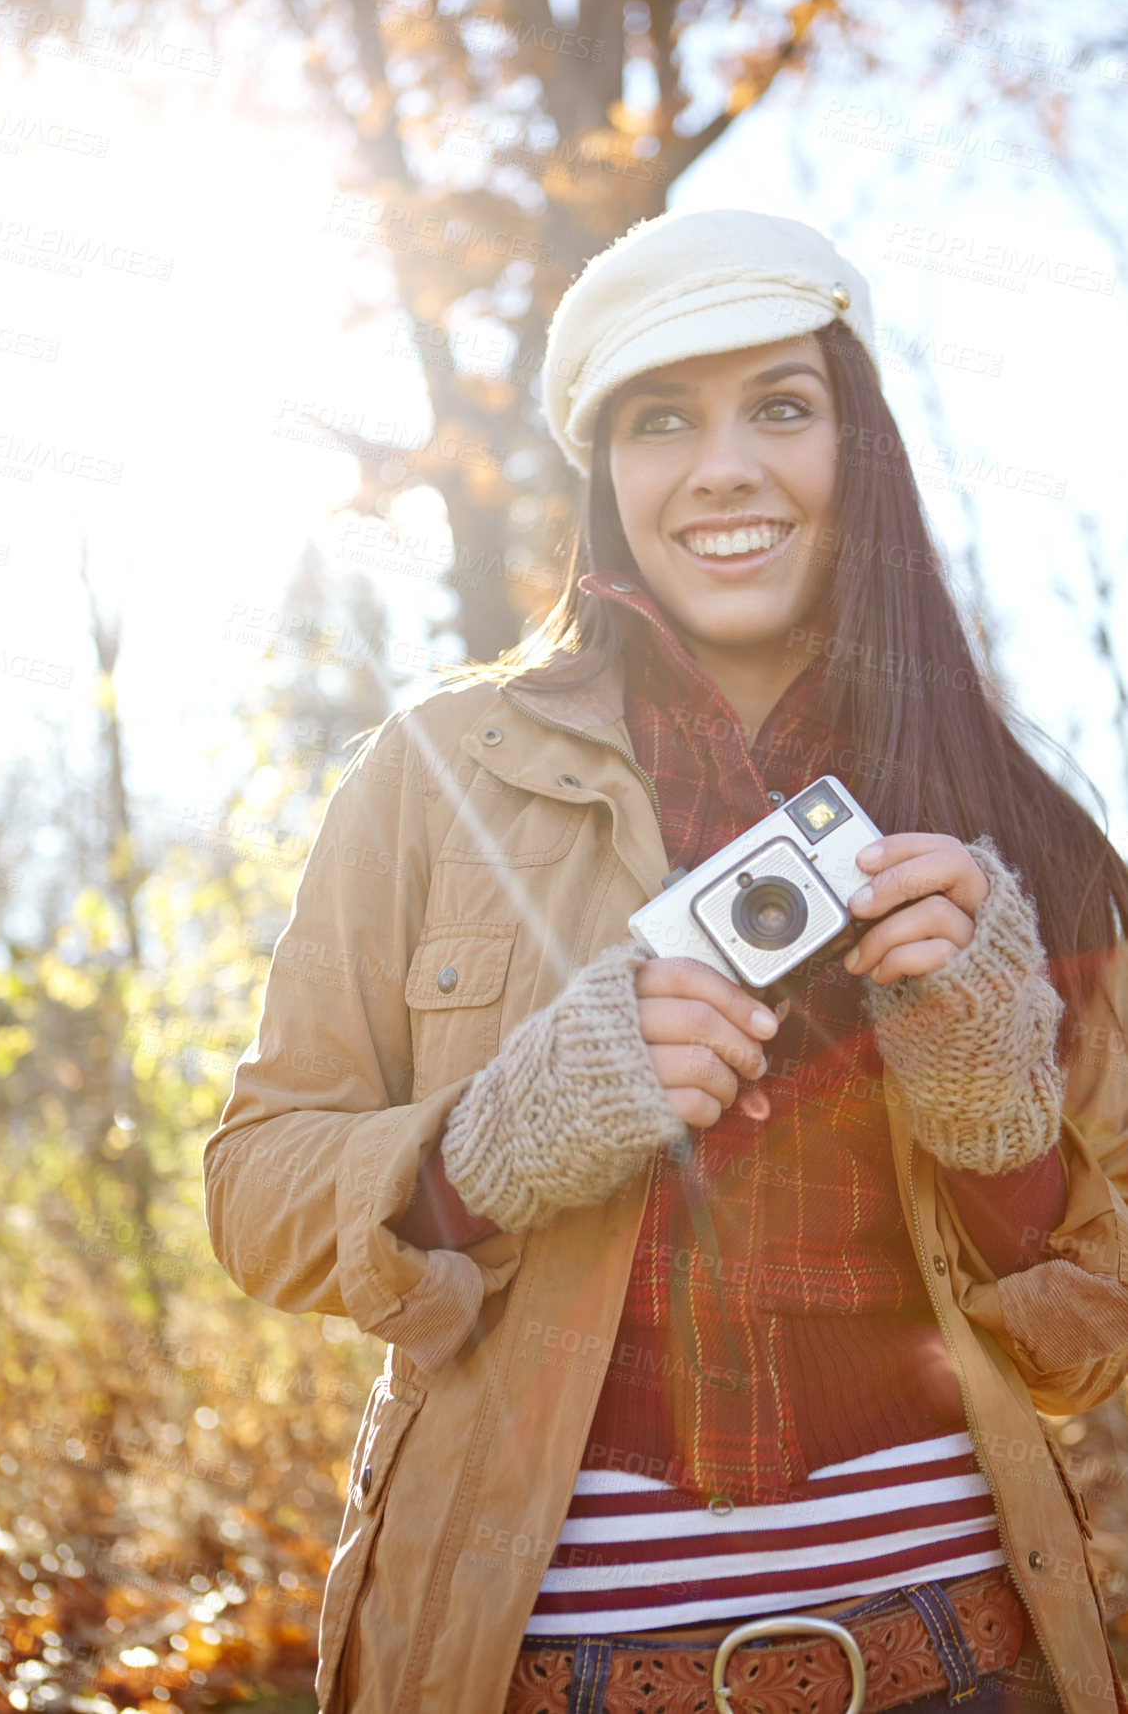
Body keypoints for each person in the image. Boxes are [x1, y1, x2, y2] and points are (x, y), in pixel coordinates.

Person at [204, 209, 1128, 1714]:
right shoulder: (434, 774)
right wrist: (493, 1145)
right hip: (530, 1671)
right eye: (658, 419)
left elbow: (1089, 1336)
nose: (722, 467)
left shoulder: (1012, 822)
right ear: (606, 477)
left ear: (857, 447)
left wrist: (986, 1094)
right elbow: (252, 1191)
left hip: (967, 1667)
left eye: (779, 404)